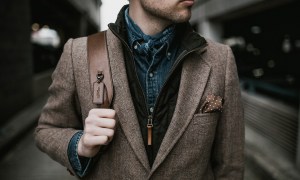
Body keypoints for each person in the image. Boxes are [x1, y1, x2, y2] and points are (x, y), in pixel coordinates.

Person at [34, 0, 245, 179]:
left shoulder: (220, 59)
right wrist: (79, 145)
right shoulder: (78, 53)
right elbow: (47, 129)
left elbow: (230, 167)